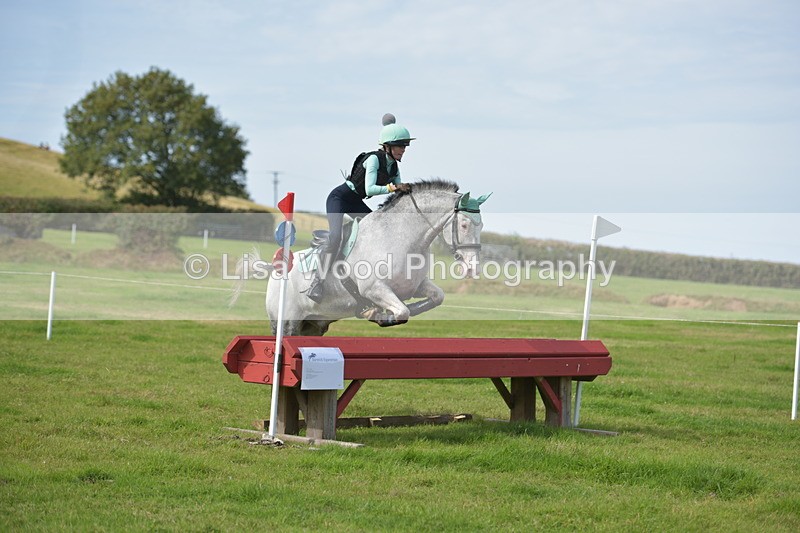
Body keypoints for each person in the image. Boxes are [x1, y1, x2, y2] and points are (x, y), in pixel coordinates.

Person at [305, 113, 414, 302]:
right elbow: (370, 188)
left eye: (405, 146)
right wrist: (394, 187)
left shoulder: (394, 167)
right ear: (387, 146)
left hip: (355, 201)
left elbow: (398, 192)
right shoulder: (373, 159)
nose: (403, 150)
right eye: (399, 146)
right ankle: (317, 281)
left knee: (380, 230)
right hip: (340, 198)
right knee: (336, 237)